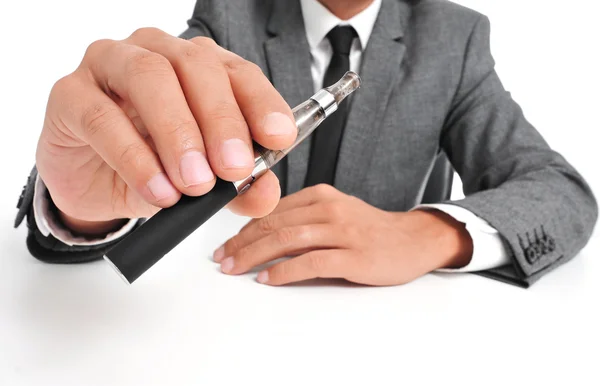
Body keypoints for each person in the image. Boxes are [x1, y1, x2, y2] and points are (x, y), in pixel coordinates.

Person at [14, 0, 597, 287]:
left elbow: (561, 192)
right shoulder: (229, 16)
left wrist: (430, 232)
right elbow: (144, 133)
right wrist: (76, 211)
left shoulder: (455, 38)